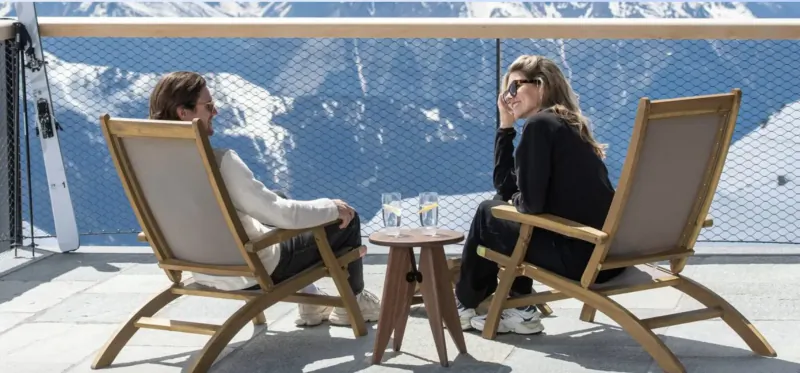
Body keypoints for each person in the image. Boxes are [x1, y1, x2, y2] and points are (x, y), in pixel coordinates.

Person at [148, 71, 381, 327]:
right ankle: (354, 302)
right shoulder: (219, 162)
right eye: (209, 106)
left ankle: (312, 302)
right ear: (184, 113)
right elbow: (280, 214)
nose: (215, 112)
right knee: (346, 218)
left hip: (201, 265)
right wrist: (331, 207)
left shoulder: (148, 164)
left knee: (277, 197)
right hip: (253, 268)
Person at [454, 55, 625, 335]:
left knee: (489, 212)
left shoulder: (540, 126)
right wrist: (506, 126)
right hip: (609, 257)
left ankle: (465, 302)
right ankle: (518, 307)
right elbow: (508, 187)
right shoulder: (568, 125)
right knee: (500, 206)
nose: (508, 97)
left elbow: (529, 203)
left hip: (579, 259)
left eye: (514, 88)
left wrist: (513, 201)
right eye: (505, 91)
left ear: (541, 86)